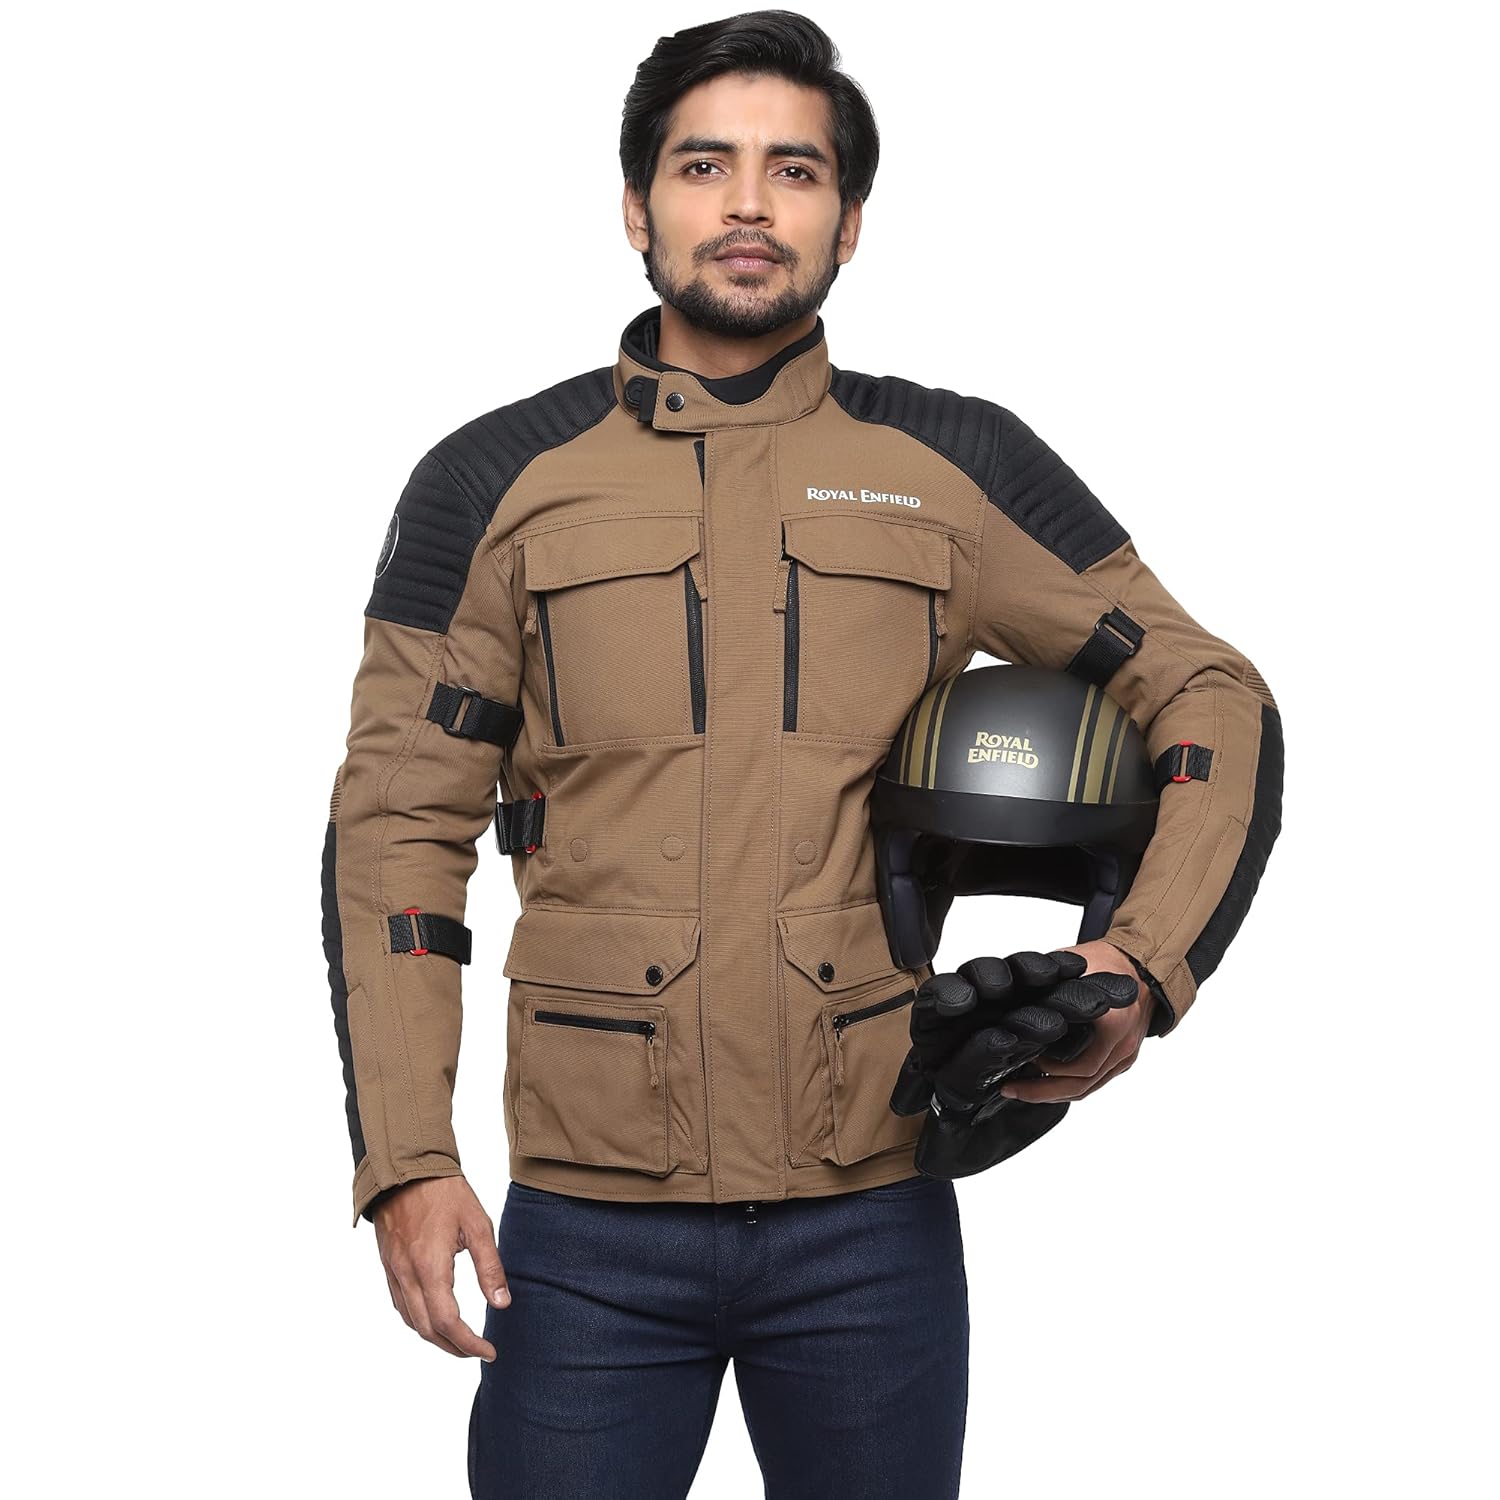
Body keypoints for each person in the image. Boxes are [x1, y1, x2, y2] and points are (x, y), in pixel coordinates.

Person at [319, 12, 1283, 1497]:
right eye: (706, 166)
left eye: (797, 170)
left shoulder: (955, 468)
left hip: (871, 1218)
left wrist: (1138, 969)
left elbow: (1208, 690)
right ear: (637, 207)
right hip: (580, 1234)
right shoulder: (492, 481)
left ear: (851, 219)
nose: (751, 206)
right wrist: (406, 1156)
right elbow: (396, 827)